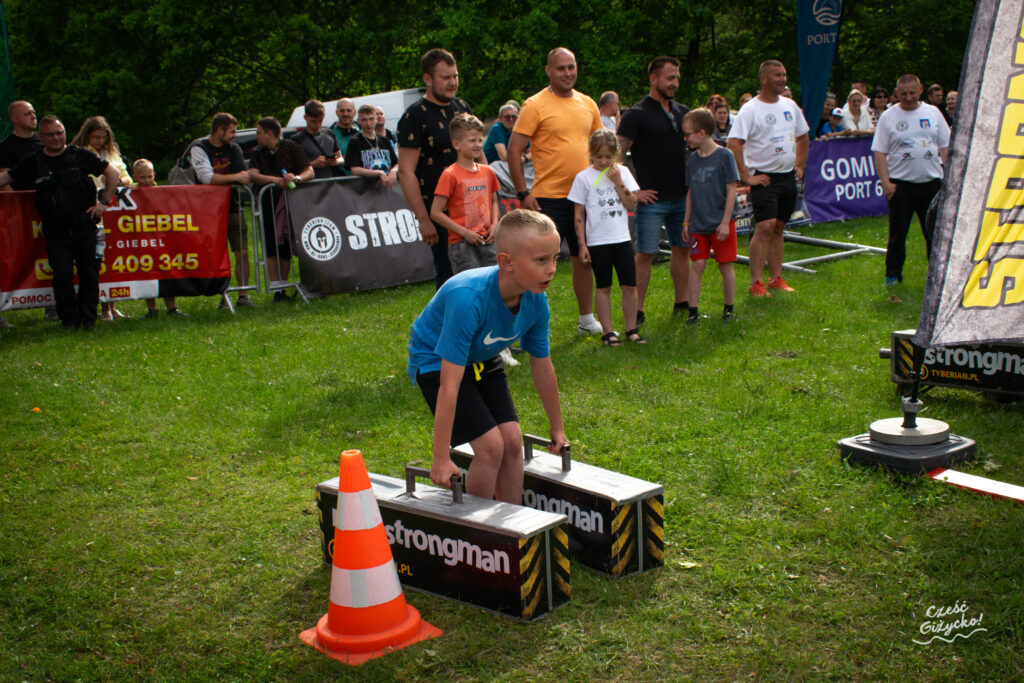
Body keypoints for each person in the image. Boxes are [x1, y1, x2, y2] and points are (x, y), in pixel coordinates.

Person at [407, 209, 569, 503]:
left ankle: (512, 522)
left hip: (482, 355)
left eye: (555, 258)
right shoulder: (468, 298)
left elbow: (543, 368)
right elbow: (450, 384)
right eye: (541, 260)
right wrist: (440, 458)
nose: (552, 269)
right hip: (434, 360)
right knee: (491, 447)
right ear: (506, 261)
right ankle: (478, 528)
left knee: (511, 441)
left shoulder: (536, 301)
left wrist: (556, 427)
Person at [508, 48, 604, 335]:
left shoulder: (588, 104)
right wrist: (523, 192)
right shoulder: (535, 104)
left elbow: (602, 148)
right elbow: (514, 151)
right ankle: (521, 327)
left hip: (585, 197)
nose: (567, 73)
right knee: (536, 264)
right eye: (561, 68)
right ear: (549, 71)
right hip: (548, 197)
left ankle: (586, 319)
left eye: (571, 67)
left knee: (584, 259)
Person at [0, 115, 118, 330]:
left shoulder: (79, 155)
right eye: (50, 134)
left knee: (89, 274)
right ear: (41, 137)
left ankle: (88, 319)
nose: (55, 138)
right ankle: (70, 320)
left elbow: (112, 172)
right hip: (56, 230)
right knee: (62, 275)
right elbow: (7, 178)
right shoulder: (34, 161)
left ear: (64, 133)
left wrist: (104, 202)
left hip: (84, 225)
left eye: (59, 133)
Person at [616, 55, 691, 324]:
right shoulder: (636, 114)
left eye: (677, 78)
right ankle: (636, 311)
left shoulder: (683, 112)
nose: (675, 83)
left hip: (682, 196)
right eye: (670, 78)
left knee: (682, 249)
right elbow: (617, 157)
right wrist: (634, 192)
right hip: (651, 200)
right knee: (645, 254)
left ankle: (682, 304)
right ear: (653, 79)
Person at [727, 59, 809, 297]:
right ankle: (756, 283)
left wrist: (800, 164)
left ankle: (776, 278)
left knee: (779, 227)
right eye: (778, 75)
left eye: (784, 74)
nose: (783, 79)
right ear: (764, 79)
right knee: (764, 227)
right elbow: (734, 143)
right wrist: (746, 177)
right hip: (763, 178)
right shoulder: (750, 109)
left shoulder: (790, 105)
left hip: (787, 177)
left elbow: (803, 136)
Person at [397, 48, 475, 289]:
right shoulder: (414, 116)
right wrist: (424, 220)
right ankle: (448, 326)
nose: (453, 82)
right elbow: (405, 172)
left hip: (473, 205)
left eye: (455, 76)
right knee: (450, 277)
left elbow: (477, 155)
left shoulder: (463, 107)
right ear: (428, 79)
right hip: (440, 212)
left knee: (480, 272)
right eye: (446, 77)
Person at [872, 74, 950, 285]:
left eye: (912, 93)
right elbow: (879, 152)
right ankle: (893, 275)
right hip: (901, 185)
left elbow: (945, 145)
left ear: (920, 90)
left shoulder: (933, 113)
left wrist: (949, 175)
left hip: (931, 183)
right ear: (896, 93)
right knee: (898, 233)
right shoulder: (888, 117)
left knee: (934, 233)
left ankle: (939, 276)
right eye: (903, 93)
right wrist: (886, 183)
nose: (908, 97)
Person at [568, 129, 641, 345]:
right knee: (603, 285)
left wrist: (619, 181)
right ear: (590, 153)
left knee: (629, 285)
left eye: (608, 157)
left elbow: (632, 203)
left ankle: (631, 329)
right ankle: (608, 332)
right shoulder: (583, 178)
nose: (603, 161)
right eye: (598, 156)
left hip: (622, 238)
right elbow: (578, 215)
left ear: (616, 155)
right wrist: (582, 245)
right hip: (598, 241)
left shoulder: (623, 172)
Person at [70, 116, 132, 321]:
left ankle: (110, 306)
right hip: (91, 209)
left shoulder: (112, 151)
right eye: (96, 137)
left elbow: (126, 177)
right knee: (95, 262)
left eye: (103, 138)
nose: (99, 141)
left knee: (111, 259)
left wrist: (118, 180)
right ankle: (97, 307)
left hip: (114, 210)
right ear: (87, 135)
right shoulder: (78, 152)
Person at [192, 112, 256, 308]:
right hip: (209, 210)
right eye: (232, 131)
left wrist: (232, 178)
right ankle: (223, 293)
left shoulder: (234, 148)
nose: (235, 135)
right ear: (219, 130)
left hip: (233, 207)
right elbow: (206, 177)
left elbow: (243, 175)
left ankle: (243, 295)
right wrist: (233, 178)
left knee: (242, 252)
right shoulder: (199, 148)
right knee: (217, 255)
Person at [682, 108, 739, 326]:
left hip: (721, 222)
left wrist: (725, 222)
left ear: (702, 132)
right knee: (697, 265)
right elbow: (690, 191)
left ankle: (729, 309)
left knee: (725, 266)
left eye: (688, 134)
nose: (685, 138)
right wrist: (686, 221)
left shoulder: (725, 156)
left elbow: (732, 190)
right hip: (698, 223)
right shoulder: (693, 160)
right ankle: (693, 312)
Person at [247, 116, 314, 301]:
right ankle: (277, 290)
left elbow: (309, 170)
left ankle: (285, 284)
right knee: (270, 245)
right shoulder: (258, 152)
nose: (257, 136)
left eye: (259, 132)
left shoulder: (291, 147)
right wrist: (274, 181)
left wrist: (297, 179)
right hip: (267, 203)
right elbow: (252, 174)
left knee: (285, 245)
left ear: (270, 132)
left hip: (290, 205)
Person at [430, 113, 500, 273]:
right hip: (462, 244)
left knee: (494, 284)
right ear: (456, 144)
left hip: (489, 240)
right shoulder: (450, 174)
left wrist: (495, 224)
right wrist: (464, 232)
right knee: (470, 289)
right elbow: (436, 212)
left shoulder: (488, 171)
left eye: (479, 140)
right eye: (472, 140)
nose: (477, 144)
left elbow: (494, 201)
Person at [0, 100, 44, 329]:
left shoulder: (44, 142)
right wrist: (18, 208)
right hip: (20, 215)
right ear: (14, 119)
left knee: (48, 257)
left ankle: (53, 304)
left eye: (34, 112)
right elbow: (5, 182)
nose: (32, 116)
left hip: (48, 211)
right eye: (27, 114)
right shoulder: (6, 148)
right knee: (16, 259)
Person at [132, 159, 186, 318]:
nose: (147, 181)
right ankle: (151, 309)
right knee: (147, 273)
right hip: (143, 239)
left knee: (166, 271)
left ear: (154, 175)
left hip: (162, 239)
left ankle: (172, 307)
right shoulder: (132, 193)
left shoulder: (162, 191)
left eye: (149, 176)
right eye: (142, 178)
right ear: (135, 177)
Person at [346, 104, 399, 186]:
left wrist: (394, 170)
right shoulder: (355, 141)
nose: (368, 123)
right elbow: (354, 169)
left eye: (371, 119)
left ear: (376, 119)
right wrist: (377, 173)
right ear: (358, 121)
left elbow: (397, 163)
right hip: (366, 189)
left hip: (387, 187)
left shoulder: (384, 140)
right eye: (364, 120)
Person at [291, 100, 343, 180]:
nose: (318, 124)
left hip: (332, 182)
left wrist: (336, 162)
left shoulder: (330, 133)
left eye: (320, 120)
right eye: (314, 121)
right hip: (310, 184)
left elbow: (340, 158)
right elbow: (294, 168)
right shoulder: (297, 139)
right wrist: (314, 164)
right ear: (305, 117)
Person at [329, 98, 360, 169]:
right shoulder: (329, 134)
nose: (345, 114)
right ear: (337, 112)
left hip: (364, 177)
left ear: (354, 112)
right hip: (338, 177)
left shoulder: (363, 130)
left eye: (348, 110)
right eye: (342, 111)